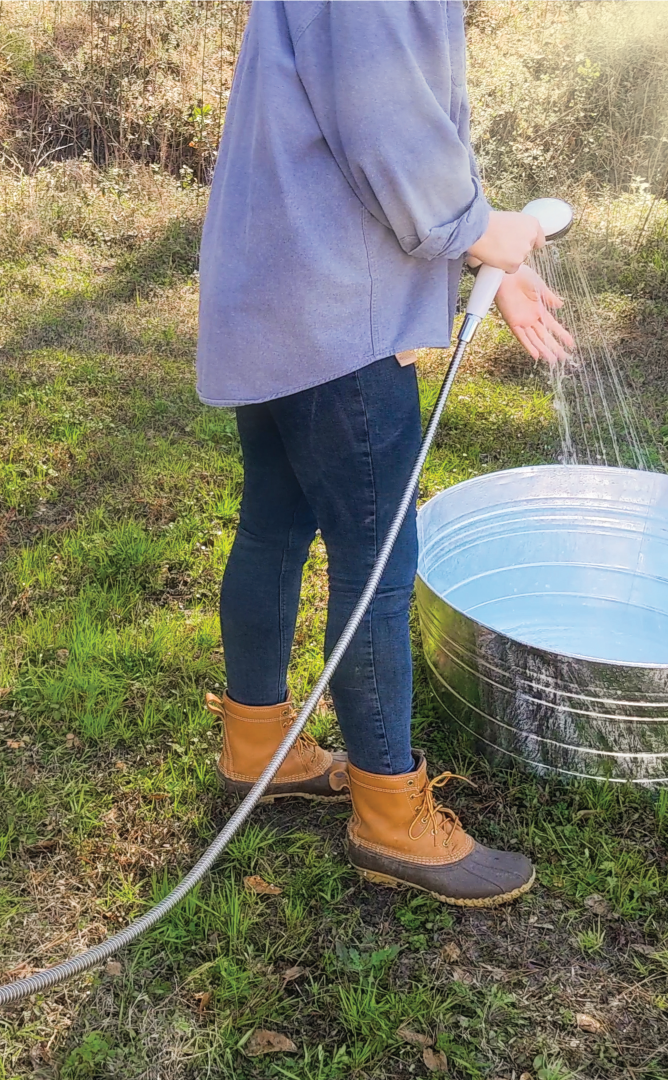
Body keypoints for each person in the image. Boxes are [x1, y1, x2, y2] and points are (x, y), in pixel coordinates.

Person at [197, 1, 574, 907]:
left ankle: (258, 747)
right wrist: (484, 230)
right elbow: (389, 124)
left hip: (278, 293)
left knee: (275, 526)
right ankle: (390, 813)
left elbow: (377, 118)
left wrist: (491, 255)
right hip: (339, 315)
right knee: (377, 563)